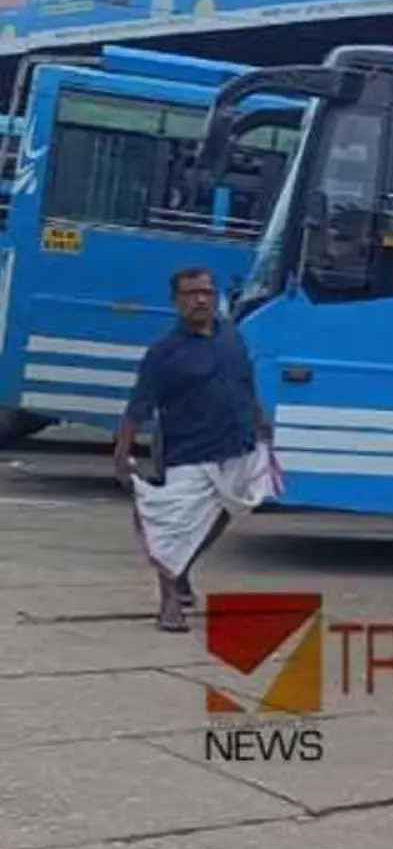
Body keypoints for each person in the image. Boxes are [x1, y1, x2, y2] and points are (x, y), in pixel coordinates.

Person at [116, 266, 279, 633]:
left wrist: (260, 420)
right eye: (190, 294)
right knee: (172, 528)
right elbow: (138, 407)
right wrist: (121, 455)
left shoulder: (232, 336)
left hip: (236, 445)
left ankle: (184, 566)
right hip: (187, 452)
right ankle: (169, 603)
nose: (200, 299)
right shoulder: (163, 353)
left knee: (224, 512)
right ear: (176, 302)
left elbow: (244, 384)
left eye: (205, 291)